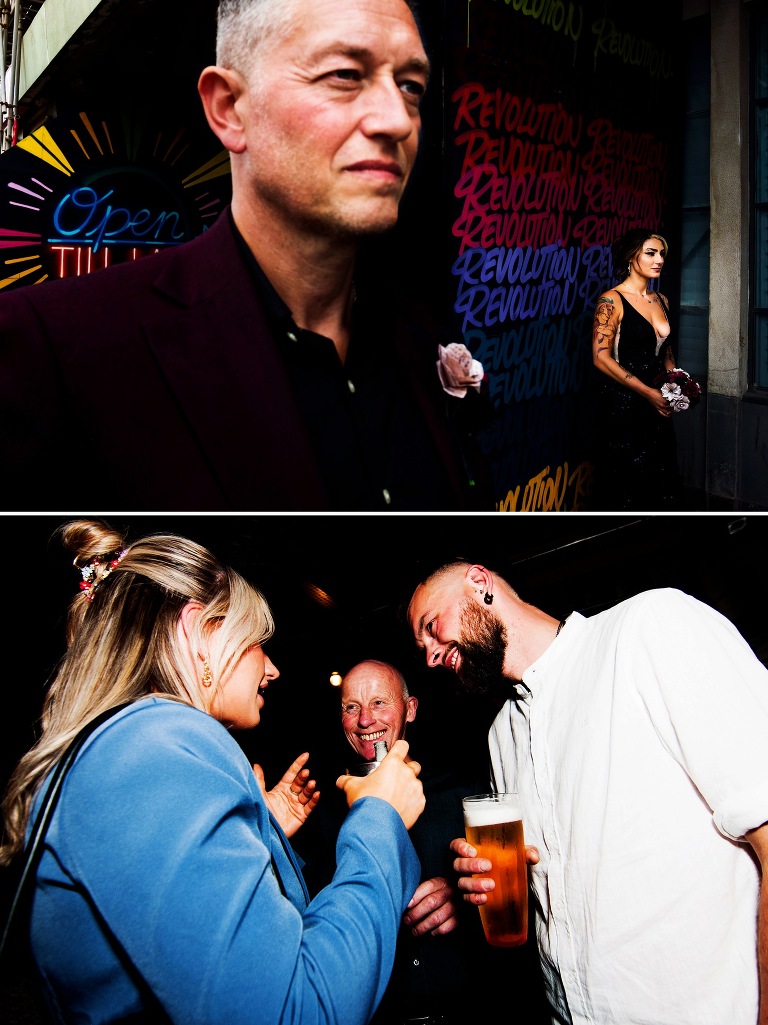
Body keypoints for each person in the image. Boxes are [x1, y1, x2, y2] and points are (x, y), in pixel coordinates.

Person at [0, 0, 490, 513]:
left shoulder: (418, 331)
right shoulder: (54, 351)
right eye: (345, 74)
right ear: (230, 108)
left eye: (411, 85)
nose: (397, 121)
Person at [0, 518, 427, 1024]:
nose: (272, 669)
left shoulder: (128, 749)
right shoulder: (156, 744)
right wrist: (379, 818)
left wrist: (259, 835)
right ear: (198, 631)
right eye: (255, 642)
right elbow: (296, 1011)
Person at [406, 559, 768, 1025]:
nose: (432, 656)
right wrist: (481, 881)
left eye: (432, 627)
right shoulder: (501, 736)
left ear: (480, 582)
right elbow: (548, 884)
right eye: (423, 648)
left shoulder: (647, 629)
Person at [294, 658, 551, 1025]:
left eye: (380, 702)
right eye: (352, 707)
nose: (366, 720)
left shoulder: (466, 792)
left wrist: (464, 897)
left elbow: (518, 888)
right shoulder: (322, 813)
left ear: (410, 709)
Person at [589, 229, 683, 510]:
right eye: (651, 253)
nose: (659, 260)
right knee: (627, 480)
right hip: (624, 402)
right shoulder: (611, 300)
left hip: (656, 401)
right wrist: (647, 392)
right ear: (632, 257)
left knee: (660, 474)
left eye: (662, 254)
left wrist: (675, 385)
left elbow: (666, 351)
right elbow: (600, 357)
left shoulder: (661, 300)